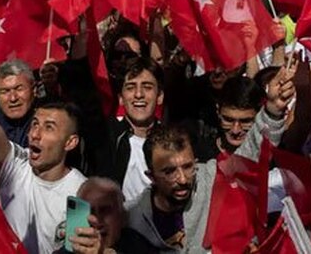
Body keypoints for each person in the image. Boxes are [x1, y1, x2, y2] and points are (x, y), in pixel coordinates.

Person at [124, 57, 297, 253]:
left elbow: (251, 153)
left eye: (188, 167)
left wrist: (273, 110)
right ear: (151, 176)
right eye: (169, 171)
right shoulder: (130, 217)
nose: (182, 179)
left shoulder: (209, 178)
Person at [0, 36, 87, 254]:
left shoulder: (82, 193)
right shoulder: (16, 164)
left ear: (70, 142)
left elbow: (76, 251)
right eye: (35, 124)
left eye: (49, 127)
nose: (35, 133)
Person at [93, 57, 164, 202]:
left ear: (160, 96)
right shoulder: (106, 135)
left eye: (147, 87)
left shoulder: (172, 141)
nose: (139, 94)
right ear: (120, 98)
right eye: (131, 87)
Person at [0, 58, 37, 146]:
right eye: (5, 91)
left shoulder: (48, 121)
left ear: (34, 90)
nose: (13, 98)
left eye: (19, 89)